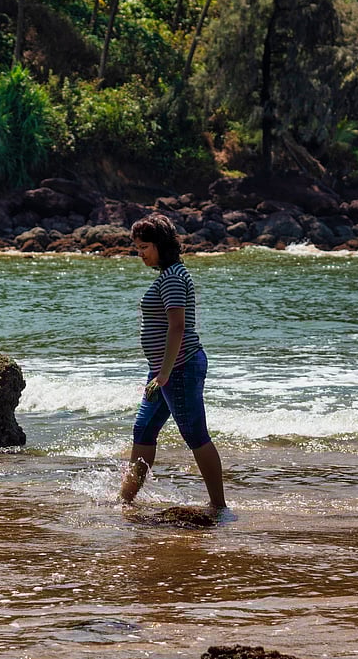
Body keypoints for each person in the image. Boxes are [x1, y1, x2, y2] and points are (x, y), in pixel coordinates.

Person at [119, 213, 226, 511]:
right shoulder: (169, 275)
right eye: (137, 248)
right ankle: (125, 501)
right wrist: (159, 372)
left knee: (195, 434)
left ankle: (219, 506)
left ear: (161, 245)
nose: (139, 254)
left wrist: (164, 374)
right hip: (165, 370)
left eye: (144, 247)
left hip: (179, 368)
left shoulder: (174, 279)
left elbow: (177, 327)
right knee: (143, 431)